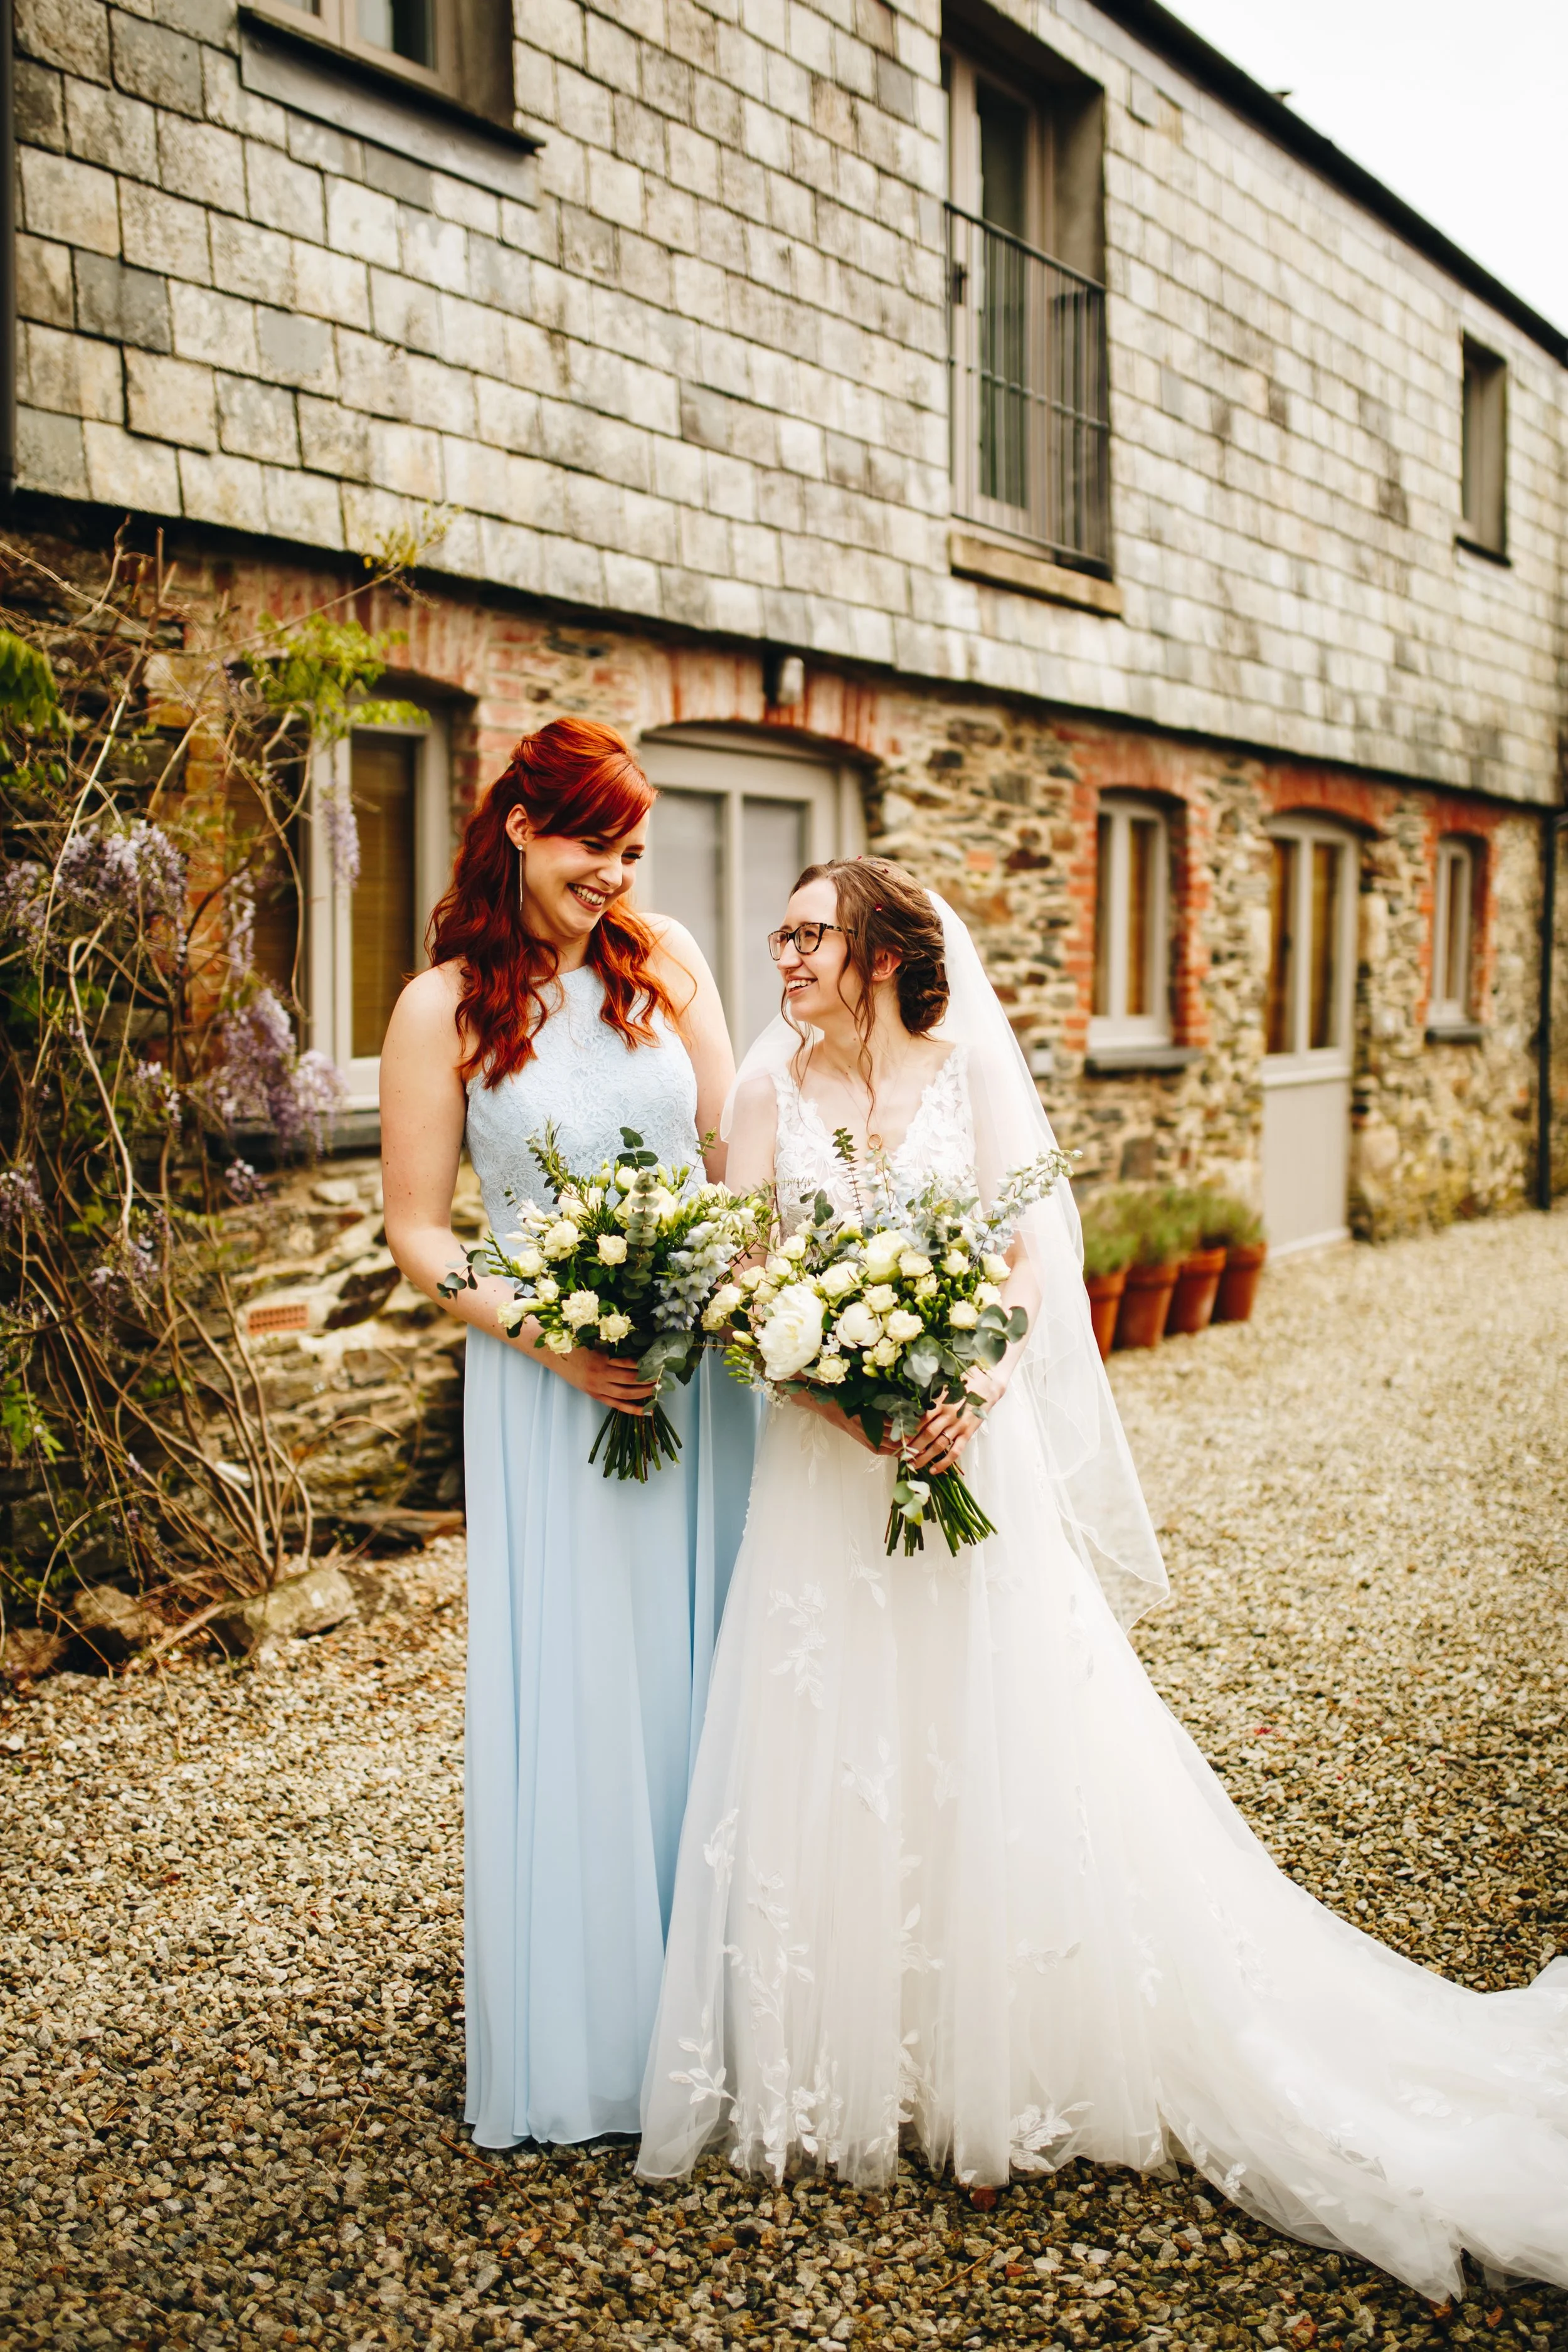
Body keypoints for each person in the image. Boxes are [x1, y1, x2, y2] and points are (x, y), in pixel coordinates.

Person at [637, 856, 1568, 2303]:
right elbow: (743, 1290)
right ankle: (854, 2069)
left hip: (973, 1452)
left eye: (810, 935)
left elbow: (1024, 1260)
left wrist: (972, 1388)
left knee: (992, 1733)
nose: (786, 957)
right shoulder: (765, 1091)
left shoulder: (964, 1076)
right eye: (779, 935)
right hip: (824, 1475)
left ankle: (1006, 2070)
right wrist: (840, 1403)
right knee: (840, 1738)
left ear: (885, 950)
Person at [381, 717, 756, 2149]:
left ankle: (725, 1989)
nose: (617, 873)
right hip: (554, 1387)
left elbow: (732, 1149)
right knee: (595, 1676)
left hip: (699, 1372)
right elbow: (418, 1232)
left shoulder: (666, 963)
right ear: (522, 828)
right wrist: (555, 1339)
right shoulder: (442, 1008)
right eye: (595, 844)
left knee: (717, 1652)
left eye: (633, 850)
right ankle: (598, 2023)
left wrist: (761, 1288)